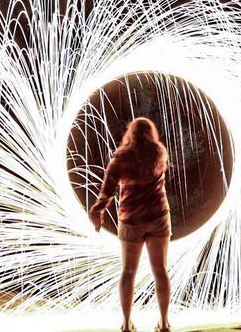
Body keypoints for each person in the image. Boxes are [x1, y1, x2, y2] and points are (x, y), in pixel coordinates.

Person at [89, 117, 173, 332]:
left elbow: (107, 193)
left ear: (130, 134)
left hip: (131, 220)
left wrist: (97, 211)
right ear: (151, 133)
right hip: (158, 217)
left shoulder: (120, 158)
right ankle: (164, 323)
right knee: (160, 269)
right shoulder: (159, 152)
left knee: (128, 271)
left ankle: (126, 325)